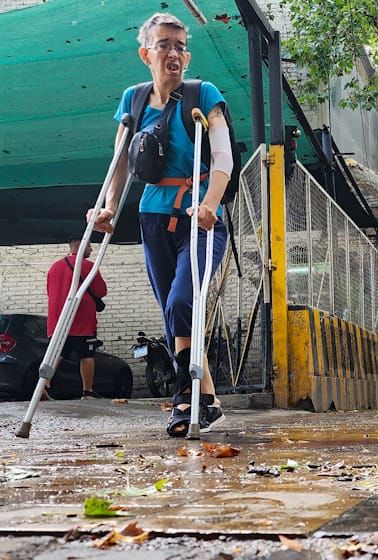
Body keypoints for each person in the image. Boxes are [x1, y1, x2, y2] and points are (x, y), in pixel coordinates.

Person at [89, 12, 232, 436]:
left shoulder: (202, 94)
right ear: (145, 53)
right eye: (165, 44)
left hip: (200, 217)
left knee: (182, 302)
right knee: (176, 316)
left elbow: (222, 156)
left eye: (180, 46)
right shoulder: (133, 101)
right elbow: (120, 164)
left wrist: (210, 204)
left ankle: (184, 398)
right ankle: (205, 400)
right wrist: (109, 208)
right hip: (152, 216)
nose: (174, 53)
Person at [45, 237, 107, 400]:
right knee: (86, 355)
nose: (91, 250)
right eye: (89, 246)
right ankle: (87, 392)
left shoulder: (54, 267)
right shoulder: (88, 266)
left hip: (58, 320)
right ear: (81, 247)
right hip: (82, 321)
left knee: (57, 354)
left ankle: (44, 386)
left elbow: (49, 292)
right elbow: (100, 291)